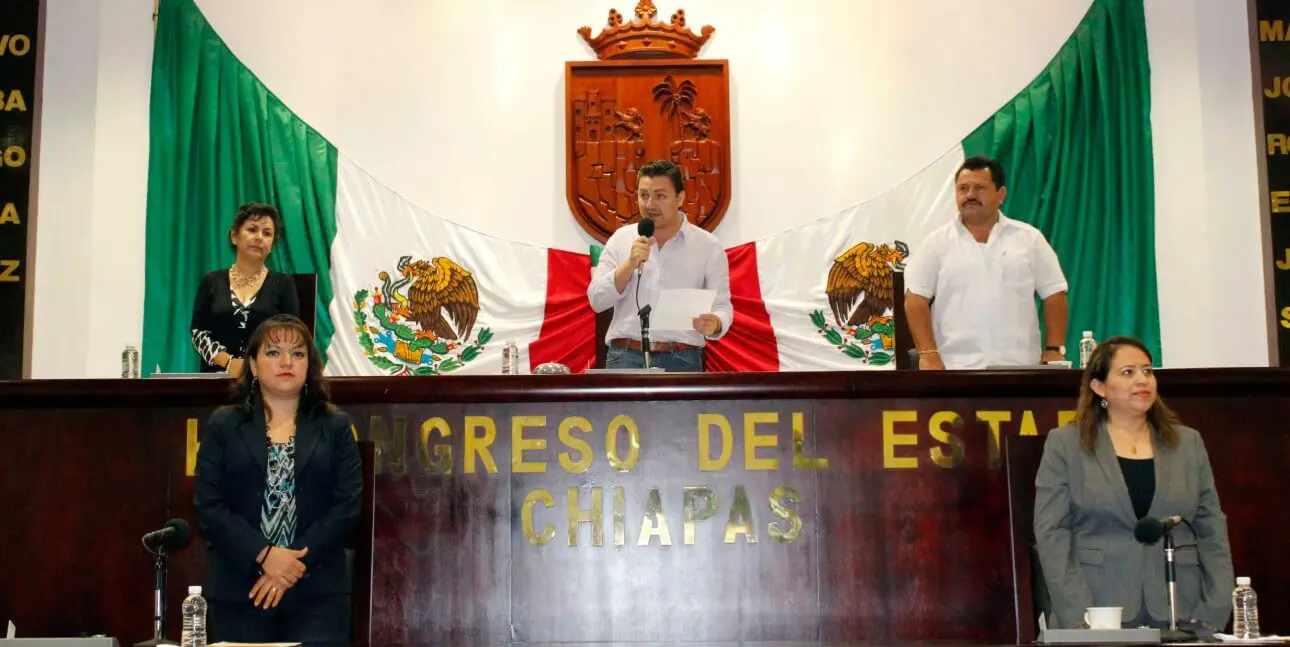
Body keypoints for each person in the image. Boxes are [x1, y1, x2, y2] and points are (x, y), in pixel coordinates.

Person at [1033, 336, 1233, 630]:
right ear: (1099, 387)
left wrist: (1214, 608)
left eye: (1148, 371)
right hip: (1097, 610)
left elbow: (1212, 529)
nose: (1143, 380)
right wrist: (1079, 615)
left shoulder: (1188, 444)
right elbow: (1051, 533)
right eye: (1128, 372)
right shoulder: (1065, 445)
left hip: (1182, 610)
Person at [194, 314, 362, 645]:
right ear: (253, 366)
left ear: (310, 366)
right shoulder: (223, 425)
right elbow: (209, 506)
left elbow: (347, 506)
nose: (286, 361)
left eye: (298, 354)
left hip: (318, 593)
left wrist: (291, 563)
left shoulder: (335, 426)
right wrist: (265, 554)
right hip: (241, 590)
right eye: (273, 353)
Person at [902, 155, 1069, 369]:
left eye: (979, 188)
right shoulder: (936, 243)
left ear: (1001, 194)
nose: (970, 195)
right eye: (963, 189)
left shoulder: (1030, 239)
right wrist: (928, 353)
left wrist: (1054, 349)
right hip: (954, 370)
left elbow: (1055, 293)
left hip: (1021, 369)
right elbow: (915, 298)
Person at [587, 160, 733, 372]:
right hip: (625, 357)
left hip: (682, 358)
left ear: (680, 198)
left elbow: (722, 306)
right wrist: (629, 264)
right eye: (643, 195)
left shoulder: (707, 246)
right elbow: (597, 300)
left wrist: (717, 323)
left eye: (660, 196)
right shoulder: (621, 239)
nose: (650, 205)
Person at [191, 202, 301, 376]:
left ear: (272, 244)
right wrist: (228, 363)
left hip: (266, 380)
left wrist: (257, 365)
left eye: (267, 233)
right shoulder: (212, 281)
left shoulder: (283, 284)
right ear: (234, 236)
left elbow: (291, 335)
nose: (259, 237)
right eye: (252, 230)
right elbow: (198, 332)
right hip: (215, 380)